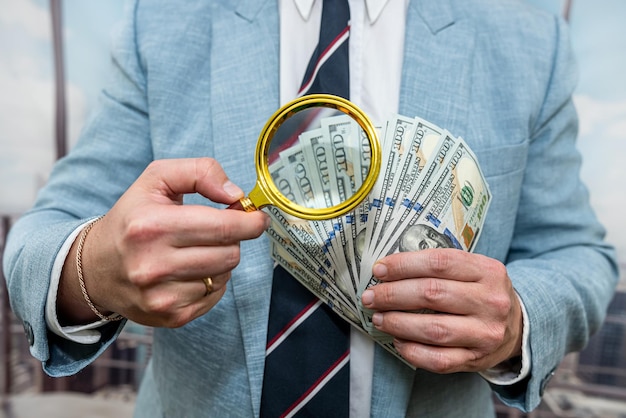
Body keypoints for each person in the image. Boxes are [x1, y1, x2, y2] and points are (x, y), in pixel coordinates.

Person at [3, 1, 619, 417]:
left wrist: (514, 319)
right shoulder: (162, 21)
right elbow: (42, 239)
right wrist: (93, 266)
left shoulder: (529, 38)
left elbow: (577, 254)